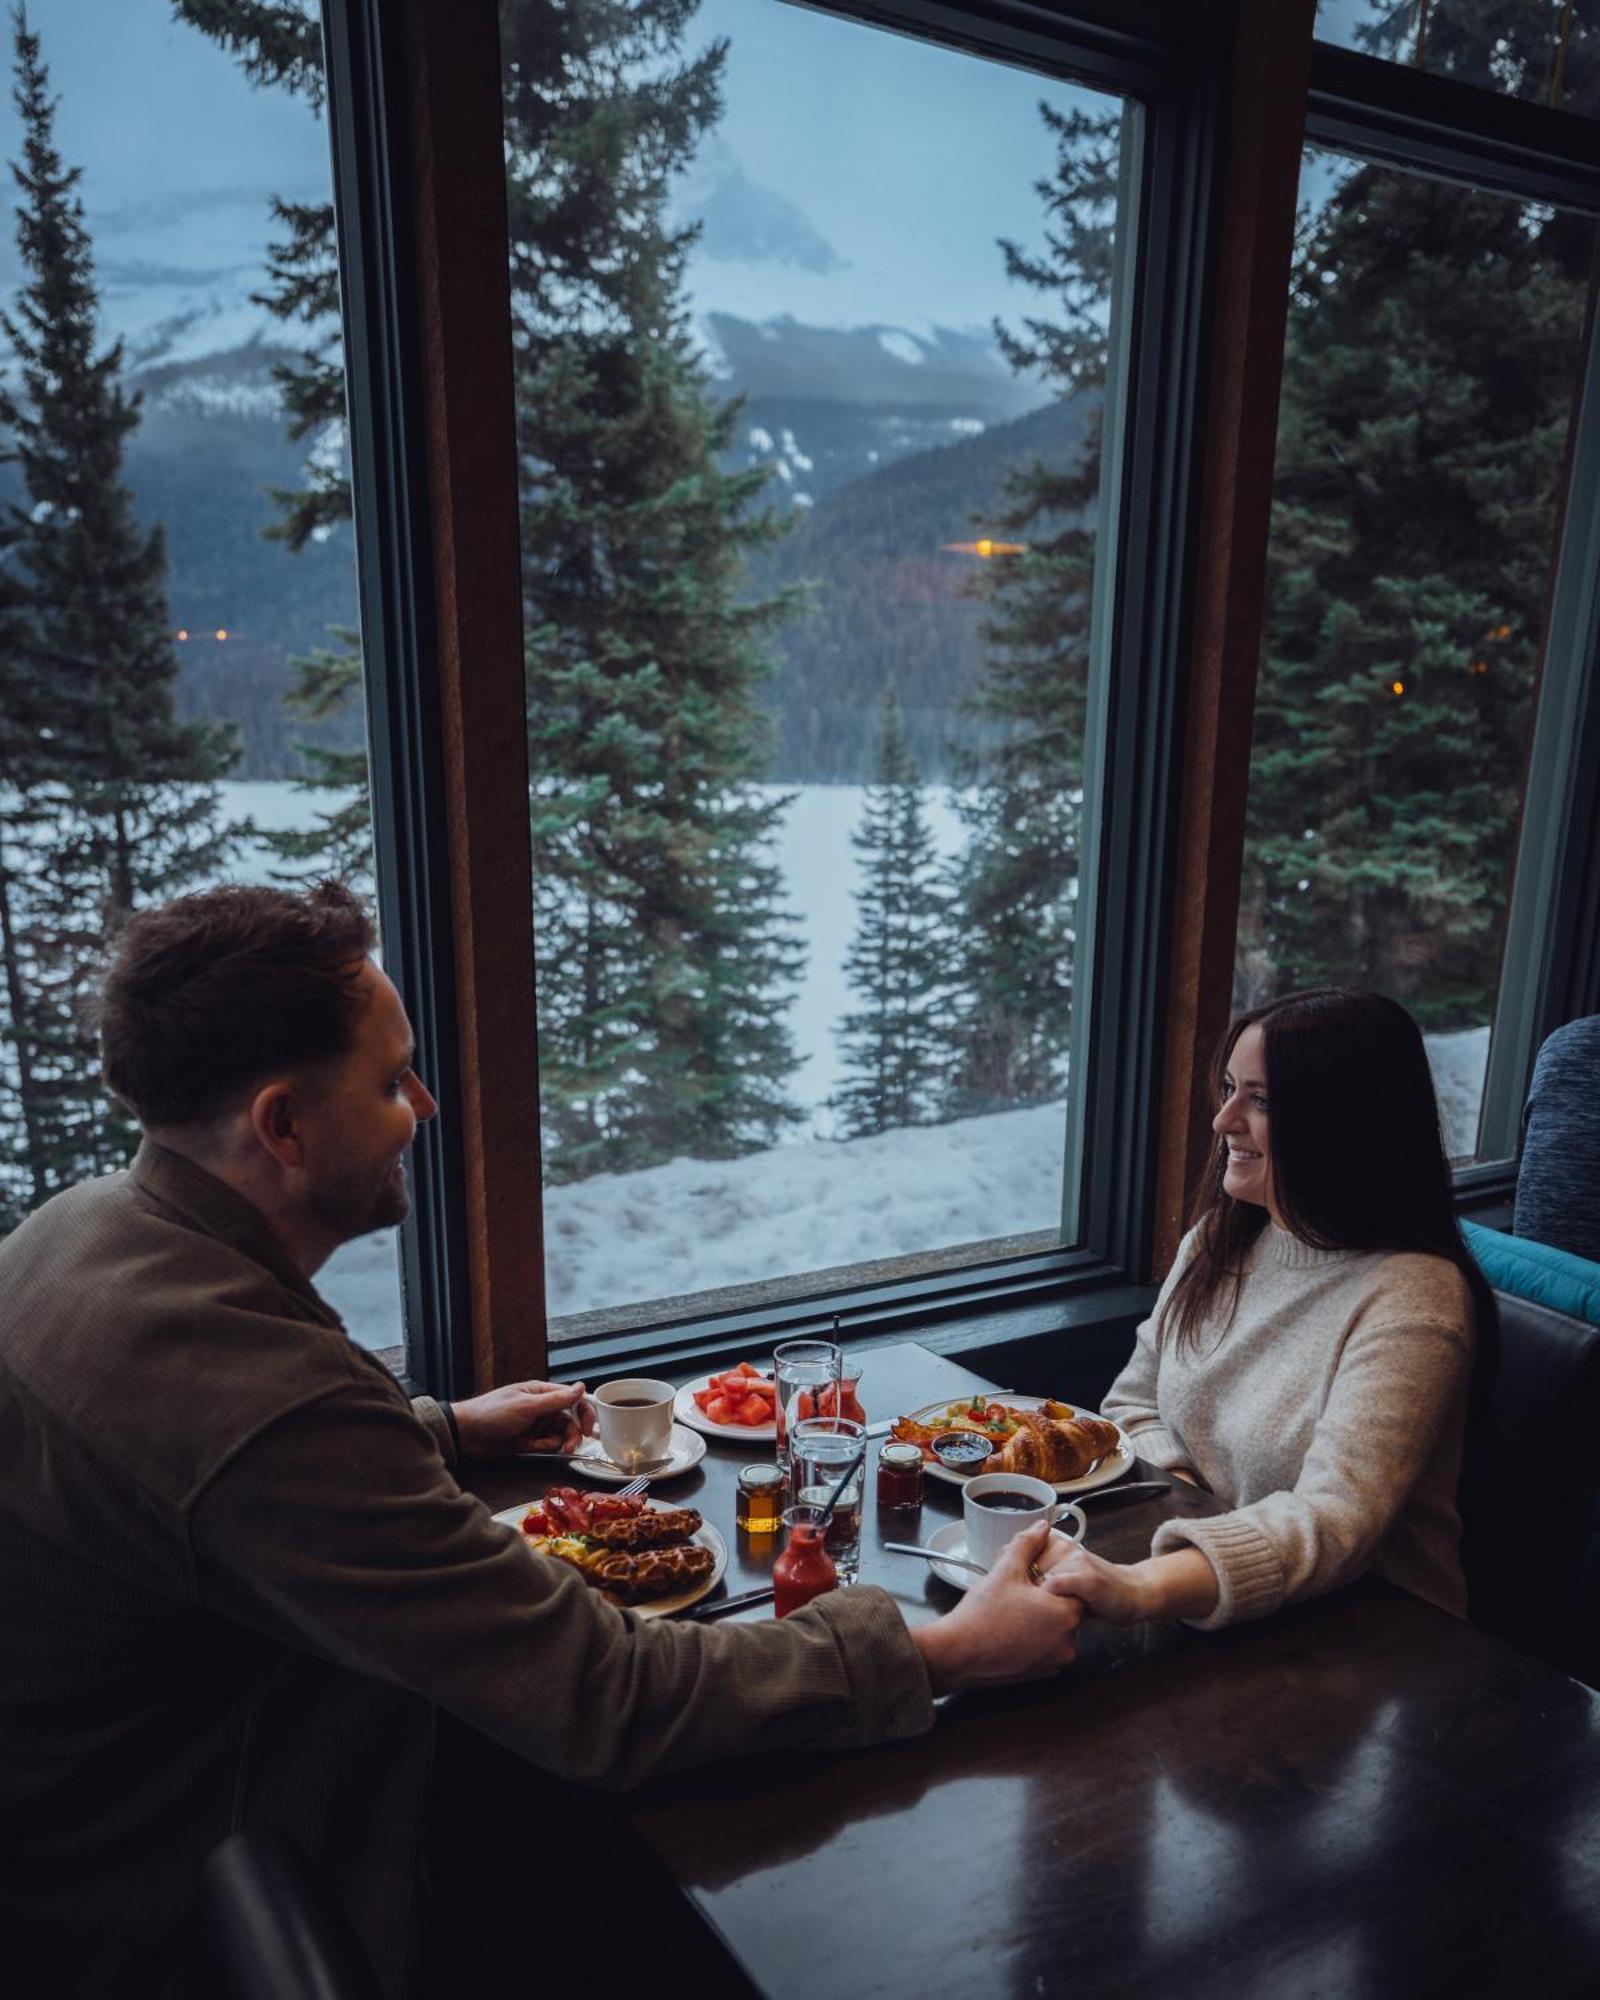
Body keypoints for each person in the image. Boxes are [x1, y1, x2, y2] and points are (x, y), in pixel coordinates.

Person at [0, 882, 1081, 1999]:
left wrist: (435, 1429)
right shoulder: (259, 1403)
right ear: (281, 1124)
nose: (422, 1102)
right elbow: (607, 1695)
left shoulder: (76, 1228)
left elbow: (194, 1487)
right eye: (388, 1080)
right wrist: (942, 1652)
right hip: (186, 1914)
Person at [1045, 988, 1494, 1632]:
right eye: (1229, 1088)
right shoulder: (1217, 1241)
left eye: (1261, 1100)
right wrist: (1194, 1510)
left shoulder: (1414, 1297)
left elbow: (1334, 1521)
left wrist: (1145, 1587)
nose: (1222, 1120)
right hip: (1222, 1595)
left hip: (1380, 1639)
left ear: (1345, 1122)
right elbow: (1130, 1407)